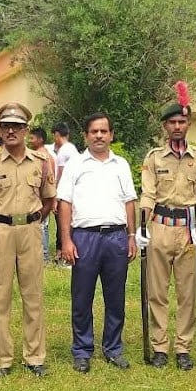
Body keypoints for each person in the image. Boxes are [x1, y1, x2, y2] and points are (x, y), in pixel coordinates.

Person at [0, 102, 56, 378]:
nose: (11, 131)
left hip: (31, 231)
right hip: (0, 231)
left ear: (26, 130)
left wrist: (32, 222)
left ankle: (35, 356)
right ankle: (1, 360)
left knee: (33, 294)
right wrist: (0, 224)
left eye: (17, 126)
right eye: (6, 126)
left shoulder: (41, 163)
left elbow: (48, 199)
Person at [136, 83, 196, 371]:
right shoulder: (154, 158)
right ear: (165, 126)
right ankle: (159, 346)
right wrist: (143, 225)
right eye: (172, 122)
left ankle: (183, 347)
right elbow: (148, 193)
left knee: (187, 291)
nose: (177, 126)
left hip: (189, 229)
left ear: (188, 124)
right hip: (160, 226)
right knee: (157, 291)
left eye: (182, 121)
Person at [58, 113, 137, 373]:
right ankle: (82, 350)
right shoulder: (75, 164)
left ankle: (113, 348)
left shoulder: (121, 165)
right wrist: (66, 240)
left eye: (104, 131)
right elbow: (65, 203)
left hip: (116, 237)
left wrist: (131, 236)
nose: (99, 136)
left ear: (111, 135)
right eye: (94, 131)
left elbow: (129, 201)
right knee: (82, 297)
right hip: (85, 238)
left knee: (115, 296)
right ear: (86, 136)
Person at [52, 122, 80, 266]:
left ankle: (65, 254)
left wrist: (57, 197)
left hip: (67, 193)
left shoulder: (63, 151)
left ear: (57, 135)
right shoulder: (72, 149)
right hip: (75, 192)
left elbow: (61, 175)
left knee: (63, 224)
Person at [30, 127, 56, 262]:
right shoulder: (42, 155)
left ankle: (44, 256)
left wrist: (52, 199)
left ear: (40, 140)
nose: (30, 140)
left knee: (42, 226)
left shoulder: (43, 157)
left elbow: (50, 180)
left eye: (32, 138)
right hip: (40, 197)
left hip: (42, 197)